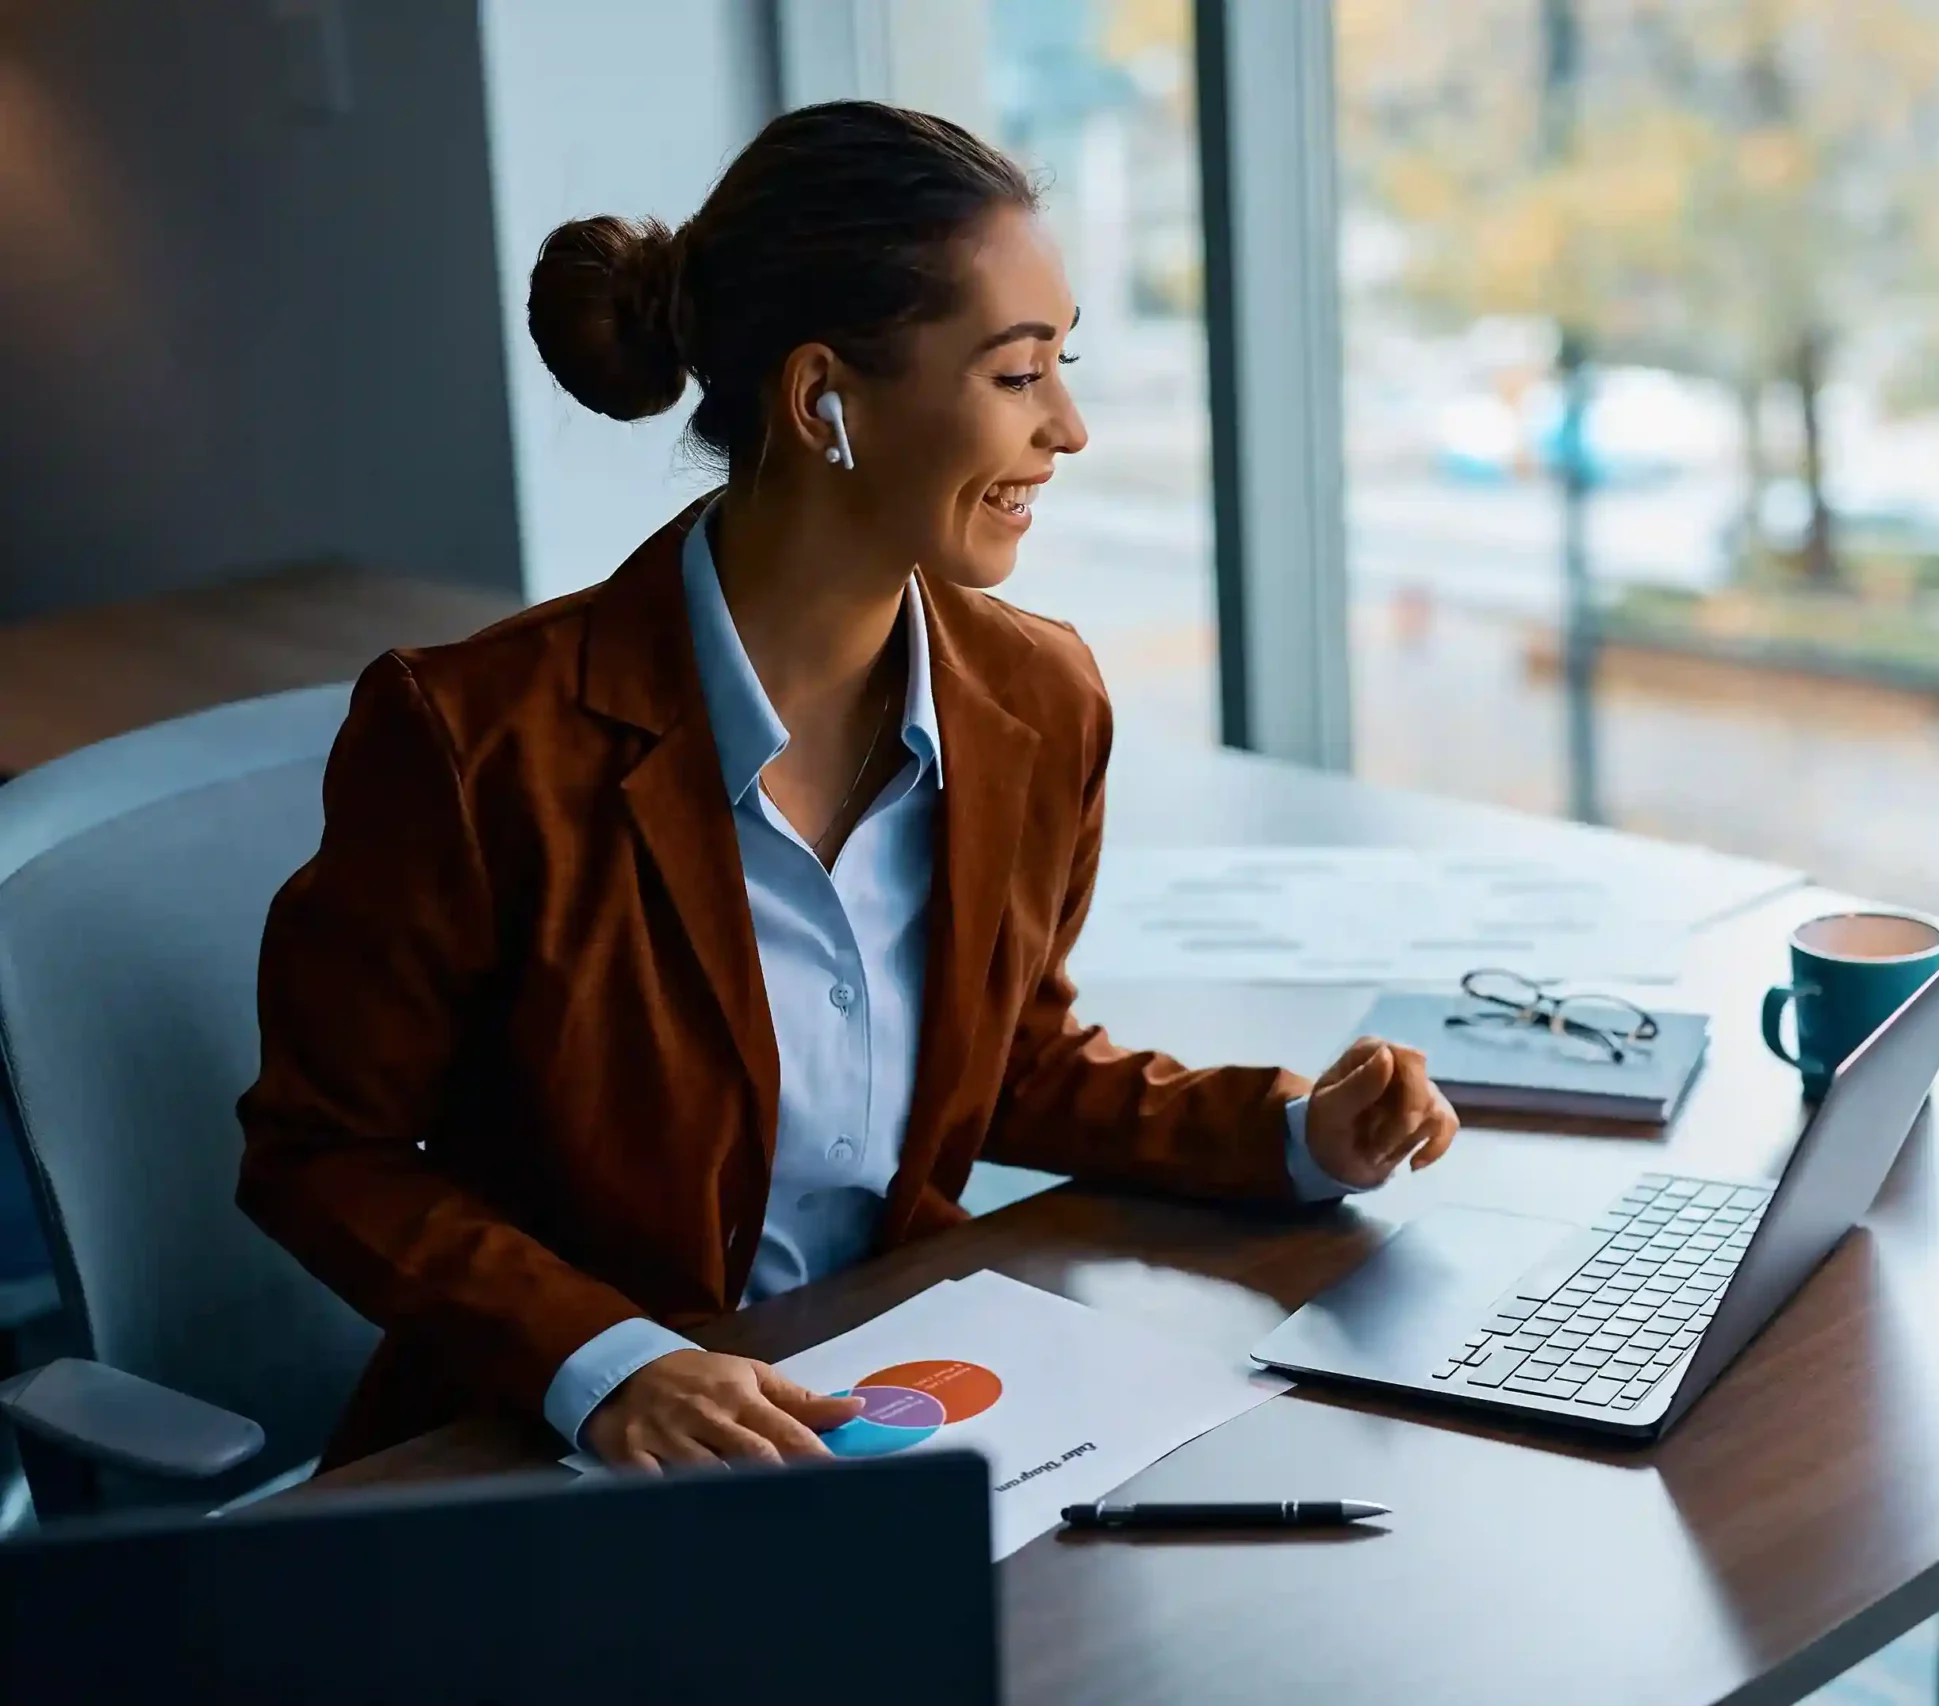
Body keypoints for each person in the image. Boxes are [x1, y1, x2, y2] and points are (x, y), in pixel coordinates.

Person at [236, 102, 1458, 1474]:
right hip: (547, 1454)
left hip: (890, 1395)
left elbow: (1012, 1061)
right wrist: (611, 1363)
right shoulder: (476, 740)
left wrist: (1295, 1134)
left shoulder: (1040, 703)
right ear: (825, 399)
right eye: (1016, 374)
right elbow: (318, 1152)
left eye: (1065, 365)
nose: (1070, 426)